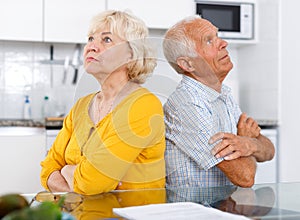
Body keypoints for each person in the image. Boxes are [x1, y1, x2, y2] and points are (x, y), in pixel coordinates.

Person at [40, 10, 166, 195]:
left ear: (131, 55)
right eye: (90, 38)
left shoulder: (143, 106)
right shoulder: (81, 106)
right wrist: (78, 178)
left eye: (106, 40)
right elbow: (47, 170)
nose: (92, 46)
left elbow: (92, 183)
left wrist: (66, 170)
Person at [162, 15, 275, 188]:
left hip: (224, 206)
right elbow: (245, 177)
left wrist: (248, 144)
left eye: (217, 35)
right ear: (187, 64)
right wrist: (246, 139)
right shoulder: (188, 104)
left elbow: (269, 150)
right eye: (208, 41)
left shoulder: (223, 94)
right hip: (196, 212)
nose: (223, 43)